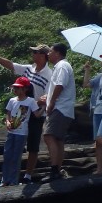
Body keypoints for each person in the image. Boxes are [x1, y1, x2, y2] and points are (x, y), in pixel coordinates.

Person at [0, 45, 53, 184]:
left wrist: (34, 103)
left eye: (35, 52)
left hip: (36, 113)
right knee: (14, 143)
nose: (32, 53)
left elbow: (47, 97)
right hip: (21, 111)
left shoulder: (49, 75)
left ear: (43, 55)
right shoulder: (28, 69)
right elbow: (11, 65)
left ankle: (27, 176)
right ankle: (9, 176)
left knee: (33, 145)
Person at [43, 43, 76, 179]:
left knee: (48, 136)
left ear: (57, 53)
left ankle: (54, 170)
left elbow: (60, 85)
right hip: (63, 108)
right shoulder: (61, 66)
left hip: (60, 108)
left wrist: (51, 102)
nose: (48, 54)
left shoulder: (62, 66)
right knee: (58, 139)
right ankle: (57, 169)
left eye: (50, 51)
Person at [2, 77, 39, 186]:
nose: (16, 90)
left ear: (25, 89)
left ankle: (13, 181)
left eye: (18, 88)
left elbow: (37, 114)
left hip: (21, 133)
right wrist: (7, 122)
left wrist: (44, 107)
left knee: (16, 157)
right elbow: (8, 113)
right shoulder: (12, 100)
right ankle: (4, 180)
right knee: (7, 155)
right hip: (11, 132)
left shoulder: (30, 101)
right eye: (15, 88)